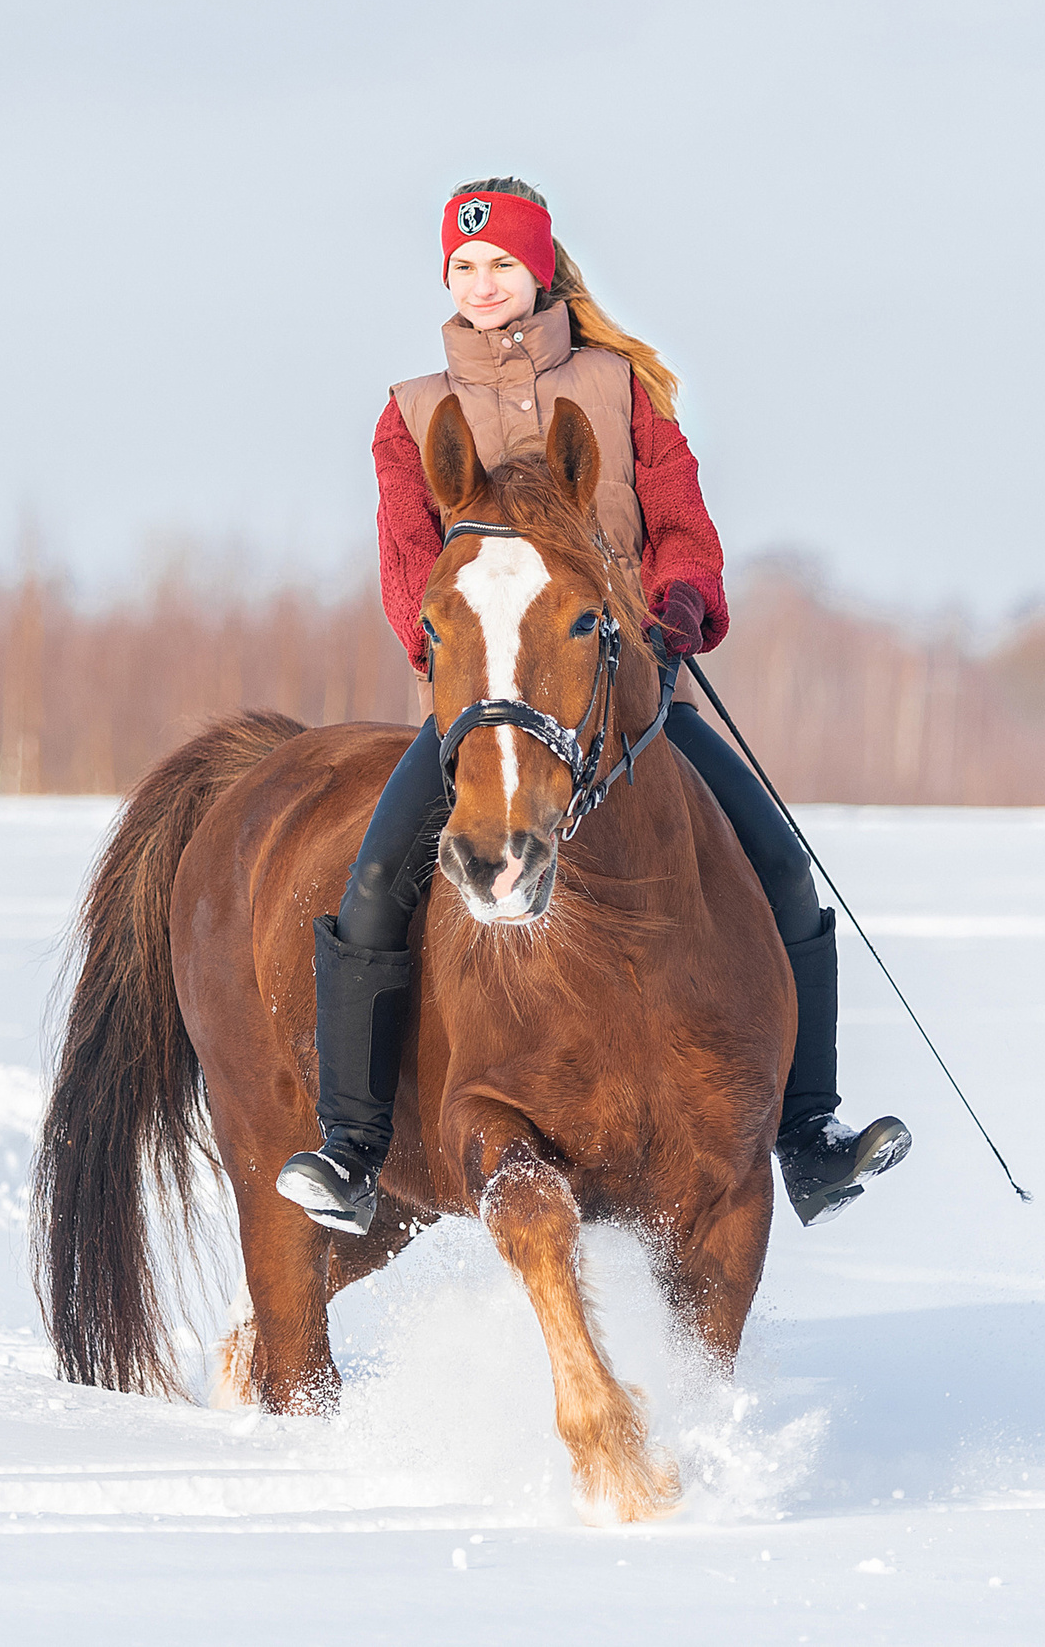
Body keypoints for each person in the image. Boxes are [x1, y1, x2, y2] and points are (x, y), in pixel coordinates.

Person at [276, 178, 910, 1236]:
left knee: (782, 864)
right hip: (485, 700)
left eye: (501, 267)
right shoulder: (410, 414)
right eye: (463, 269)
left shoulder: (622, 392)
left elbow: (682, 525)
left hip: (626, 687)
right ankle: (352, 1146)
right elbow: (407, 569)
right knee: (378, 874)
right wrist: (455, 662)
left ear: (540, 272)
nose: (483, 286)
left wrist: (677, 611)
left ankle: (806, 1132)